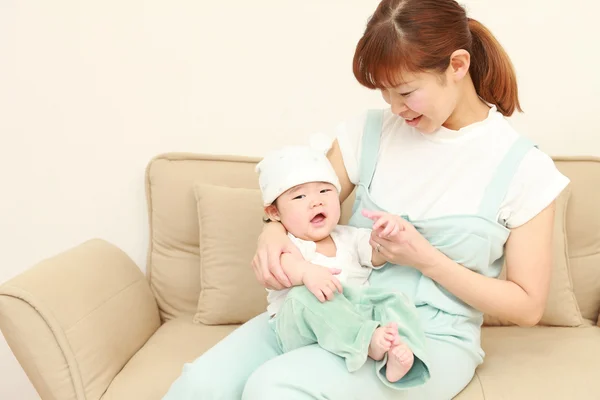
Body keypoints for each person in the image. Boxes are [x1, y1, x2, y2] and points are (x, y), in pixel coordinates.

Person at [163, 0, 569, 398]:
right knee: (199, 386)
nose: (395, 108)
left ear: (458, 66)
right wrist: (271, 232)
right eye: (385, 93)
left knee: (275, 387)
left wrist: (424, 258)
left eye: (406, 92)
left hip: (420, 340)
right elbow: (298, 206)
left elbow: (527, 306)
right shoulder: (370, 132)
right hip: (329, 309)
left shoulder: (524, 169)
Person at [255, 142, 430, 387]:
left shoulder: (350, 236)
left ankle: (401, 351)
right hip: (298, 328)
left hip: (351, 315)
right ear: (274, 213)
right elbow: (283, 265)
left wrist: (387, 232)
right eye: (300, 196)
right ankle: (368, 341)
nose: (316, 202)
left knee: (392, 299)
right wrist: (307, 273)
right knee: (305, 296)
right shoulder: (290, 243)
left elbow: (377, 254)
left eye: (325, 192)